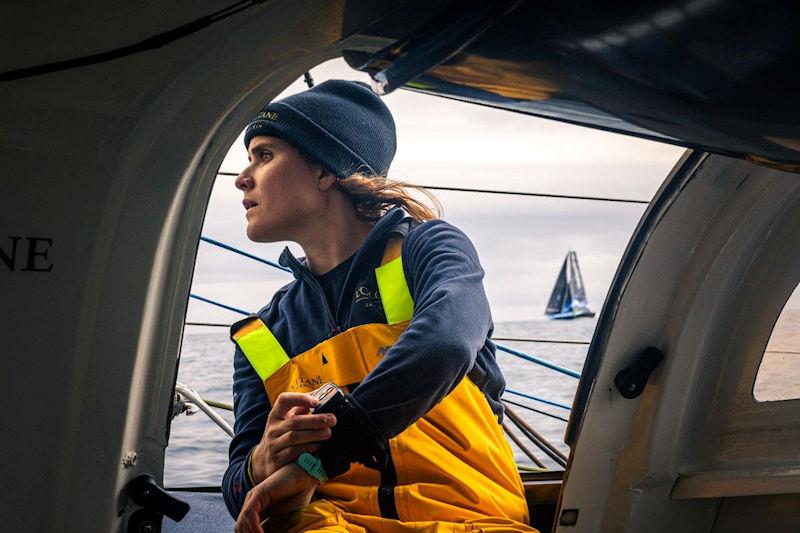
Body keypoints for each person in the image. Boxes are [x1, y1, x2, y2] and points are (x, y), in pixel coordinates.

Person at [222, 79, 535, 532]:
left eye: (265, 155)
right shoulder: (263, 333)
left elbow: (444, 346)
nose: (242, 178)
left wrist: (321, 460)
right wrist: (261, 461)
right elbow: (239, 491)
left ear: (325, 170)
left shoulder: (426, 248)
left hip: (471, 523)